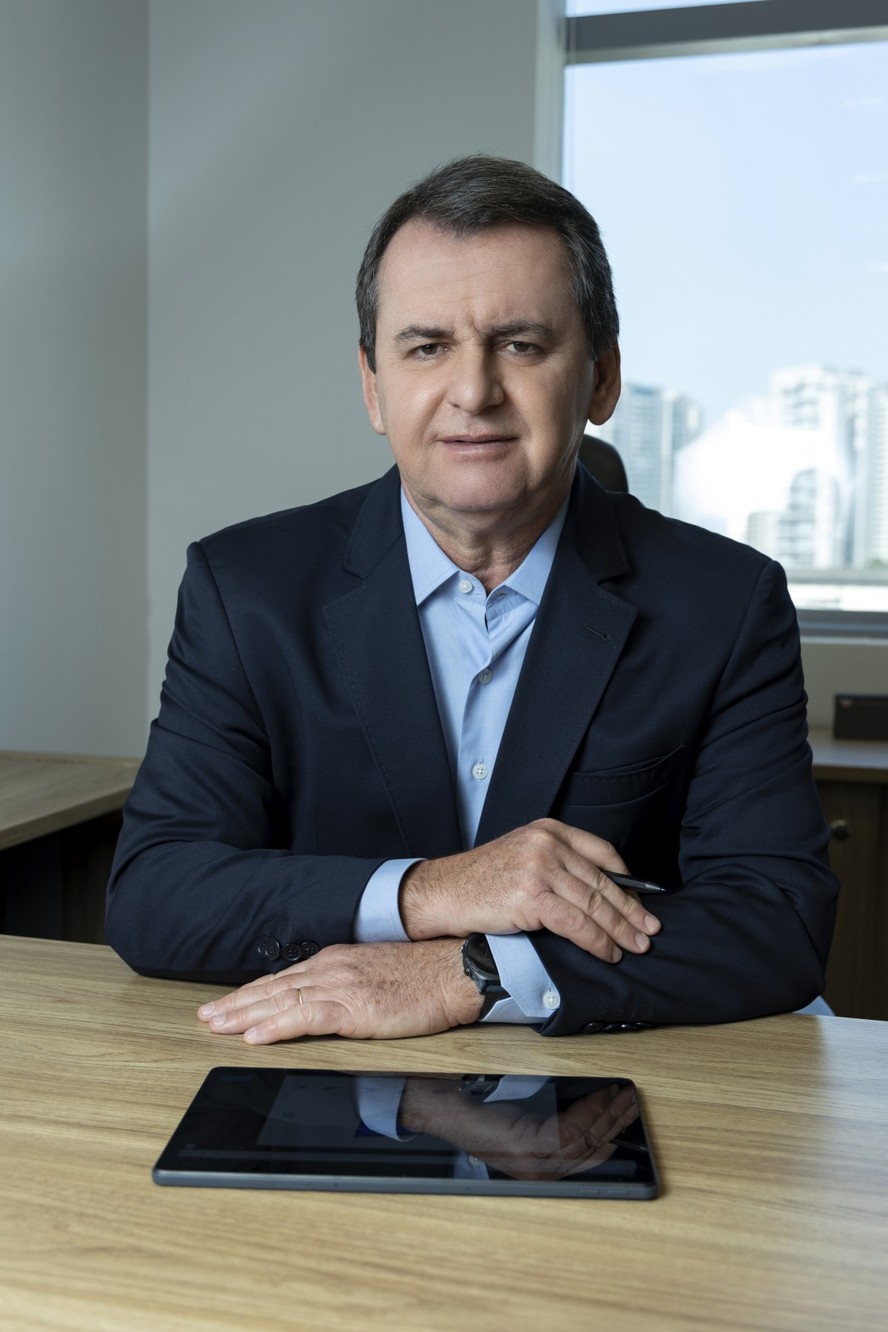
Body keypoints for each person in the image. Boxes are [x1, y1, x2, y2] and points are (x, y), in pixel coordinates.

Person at [106, 155, 838, 1045]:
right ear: (374, 386)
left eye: (521, 345)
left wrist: (474, 973)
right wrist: (430, 891)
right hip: (317, 1077)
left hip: (614, 1085)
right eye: (426, 347)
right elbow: (158, 892)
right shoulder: (245, 589)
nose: (473, 392)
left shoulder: (724, 602)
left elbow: (776, 922)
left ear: (603, 378)